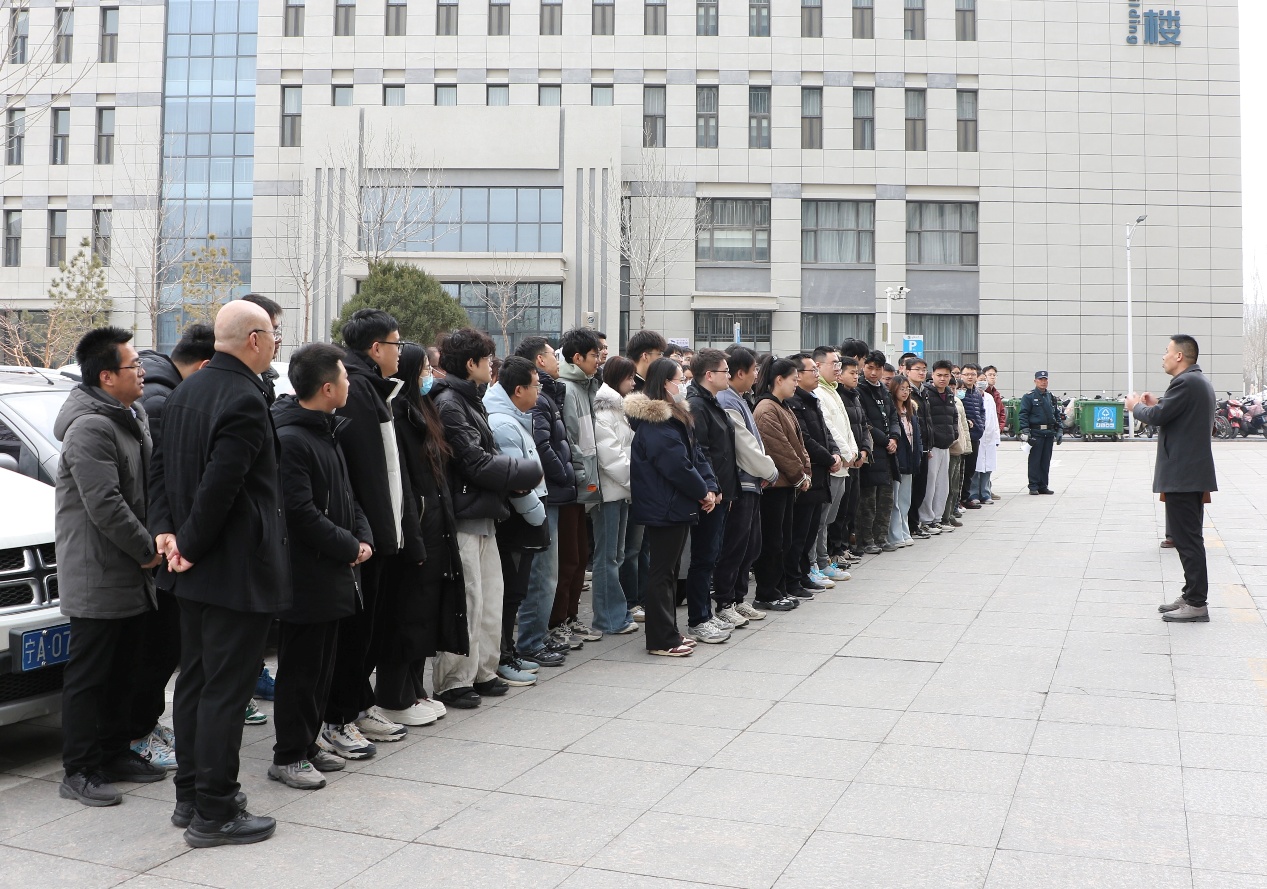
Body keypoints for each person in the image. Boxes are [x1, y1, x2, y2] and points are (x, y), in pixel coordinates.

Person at [148, 300, 289, 846]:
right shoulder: (243, 397)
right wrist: (186, 541)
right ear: (254, 339)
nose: (276, 343)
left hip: (193, 566)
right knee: (224, 692)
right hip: (231, 568)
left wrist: (168, 531)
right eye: (273, 334)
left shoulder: (189, 388)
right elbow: (220, 486)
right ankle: (215, 810)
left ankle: (190, 796)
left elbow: (160, 470)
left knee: (196, 682)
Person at [55, 327, 166, 807]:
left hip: (131, 571)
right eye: (133, 365)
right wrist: (147, 549)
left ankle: (115, 751)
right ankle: (79, 769)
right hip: (97, 572)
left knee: (126, 669)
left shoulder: (130, 416)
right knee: (90, 677)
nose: (142, 372)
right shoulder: (90, 428)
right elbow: (105, 504)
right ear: (106, 376)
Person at [270, 344, 374, 790]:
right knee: (300, 670)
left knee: (321, 668)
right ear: (327, 388)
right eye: (345, 378)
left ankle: (307, 743)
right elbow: (299, 512)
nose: (350, 384)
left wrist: (363, 536)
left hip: (334, 569)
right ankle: (289, 755)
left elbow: (348, 496)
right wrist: (348, 545)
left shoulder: (326, 430)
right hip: (308, 574)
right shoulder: (292, 438)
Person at [322, 309, 424, 759]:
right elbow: (364, 474)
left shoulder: (372, 387)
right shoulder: (359, 390)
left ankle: (357, 706)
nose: (401, 352)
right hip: (366, 537)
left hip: (380, 531)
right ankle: (339, 717)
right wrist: (376, 534)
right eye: (397, 343)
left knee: (369, 631)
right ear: (376, 348)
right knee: (357, 633)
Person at [432, 328, 542, 708]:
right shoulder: (450, 403)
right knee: (468, 602)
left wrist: (513, 473)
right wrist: (524, 471)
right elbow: (475, 462)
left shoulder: (470, 399)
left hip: (484, 513)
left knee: (490, 600)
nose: (491, 366)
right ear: (470, 364)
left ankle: (483, 671)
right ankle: (453, 681)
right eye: (486, 360)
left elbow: (486, 455)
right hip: (464, 515)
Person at [127, 323, 216, 769]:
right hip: (160, 548)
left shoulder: (162, 391)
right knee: (159, 646)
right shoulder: (164, 402)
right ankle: (138, 732)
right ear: (204, 365)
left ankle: (146, 724)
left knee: (164, 645)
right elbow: (163, 481)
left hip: (161, 543)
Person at [376, 344, 462, 722]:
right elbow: (405, 487)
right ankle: (395, 697)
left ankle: (415, 689)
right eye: (425, 368)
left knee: (424, 614)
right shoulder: (397, 413)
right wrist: (415, 535)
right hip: (417, 529)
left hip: (434, 525)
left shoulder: (422, 409)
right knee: (407, 616)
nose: (431, 375)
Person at [625, 358, 719, 657]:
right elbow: (676, 465)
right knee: (662, 573)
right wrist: (702, 491)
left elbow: (696, 456)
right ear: (665, 383)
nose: (684, 385)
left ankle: (669, 632)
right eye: (680, 380)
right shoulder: (656, 421)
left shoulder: (677, 414)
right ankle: (661, 639)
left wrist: (710, 487)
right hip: (664, 505)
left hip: (676, 503)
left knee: (670, 570)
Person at [1126, 335, 1218, 622]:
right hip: (1189, 473)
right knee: (1188, 537)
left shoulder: (1186, 382)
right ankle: (1191, 595)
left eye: (1167, 351)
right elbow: (1172, 413)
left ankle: (1197, 603)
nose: (1163, 356)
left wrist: (1135, 407)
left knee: (1187, 540)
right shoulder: (1195, 381)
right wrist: (1158, 403)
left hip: (1184, 475)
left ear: (1179, 356)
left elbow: (1158, 417)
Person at [483, 356, 549, 687]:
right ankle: (502, 657)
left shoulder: (513, 418)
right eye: (536, 386)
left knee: (515, 591)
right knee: (510, 592)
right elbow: (516, 483)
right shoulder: (504, 424)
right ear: (518, 389)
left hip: (523, 517)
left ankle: (508, 652)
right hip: (516, 521)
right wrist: (538, 515)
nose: (539, 392)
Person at [514, 337, 575, 664]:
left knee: (546, 573)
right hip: (545, 493)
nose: (557, 360)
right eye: (553, 356)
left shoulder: (547, 393)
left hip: (550, 492)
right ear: (539, 360)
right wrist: (563, 474)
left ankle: (537, 637)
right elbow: (542, 446)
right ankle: (530, 642)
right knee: (542, 574)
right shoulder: (538, 399)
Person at [715, 346, 779, 624]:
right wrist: (770, 470)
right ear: (739, 373)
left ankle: (739, 599)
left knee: (750, 546)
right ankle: (725, 601)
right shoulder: (727, 400)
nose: (756, 375)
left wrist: (765, 470)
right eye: (754, 370)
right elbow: (745, 447)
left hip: (752, 482)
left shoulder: (740, 398)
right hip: (740, 484)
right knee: (735, 547)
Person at [552, 328, 604, 646]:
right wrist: (583, 476)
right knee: (569, 559)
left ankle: (570, 617)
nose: (599, 360)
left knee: (581, 556)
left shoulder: (586, 385)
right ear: (577, 357)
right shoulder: (568, 388)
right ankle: (558, 622)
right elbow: (570, 440)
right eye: (595, 355)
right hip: (573, 484)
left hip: (584, 484)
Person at [683, 349, 739, 642]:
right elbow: (701, 452)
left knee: (711, 555)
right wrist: (712, 489)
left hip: (721, 492)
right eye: (724, 371)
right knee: (703, 557)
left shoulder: (712, 402)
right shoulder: (697, 405)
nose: (728, 375)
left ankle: (706, 613)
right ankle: (698, 619)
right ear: (709, 375)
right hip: (709, 495)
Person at [752, 357, 811, 610]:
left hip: (787, 484)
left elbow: (799, 445)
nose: (796, 384)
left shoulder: (782, 406)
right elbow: (779, 449)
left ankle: (779, 589)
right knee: (772, 542)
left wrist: (805, 471)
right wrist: (800, 474)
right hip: (774, 486)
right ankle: (766, 593)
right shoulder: (767, 408)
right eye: (793, 379)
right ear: (779, 380)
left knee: (784, 540)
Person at [787, 353, 842, 596]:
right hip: (807, 475)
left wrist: (835, 452)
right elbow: (805, 440)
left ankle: (803, 574)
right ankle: (795, 578)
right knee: (799, 533)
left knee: (810, 530)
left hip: (820, 475)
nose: (817, 375)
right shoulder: (794, 402)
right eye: (813, 371)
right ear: (797, 375)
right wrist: (829, 458)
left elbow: (826, 432)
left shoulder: (812, 399)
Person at [620, 330, 667, 617]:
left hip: (650, 478)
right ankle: (631, 600)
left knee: (645, 545)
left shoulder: (649, 386)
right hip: (634, 476)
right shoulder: (632, 389)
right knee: (632, 547)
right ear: (646, 356)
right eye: (660, 355)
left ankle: (643, 596)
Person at [591, 356, 638, 635]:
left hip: (620, 492)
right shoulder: (604, 411)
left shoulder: (618, 408)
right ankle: (608, 618)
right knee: (607, 558)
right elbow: (611, 458)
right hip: (609, 494)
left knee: (615, 556)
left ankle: (614, 615)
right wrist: (637, 483)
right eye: (629, 378)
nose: (633, 384)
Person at [811, 347, 858, 582]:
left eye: (839, 364)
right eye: (834, 364)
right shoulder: (818, 392)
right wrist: (846, 453)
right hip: (834, 463)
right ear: (818, 366)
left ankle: (823, 560)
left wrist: (854, 450)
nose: (838, 369)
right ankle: (816, 564)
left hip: (844, 464)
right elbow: (829, 429)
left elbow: (846, 427)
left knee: (828, 519)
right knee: (820, 520)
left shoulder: (833, 390)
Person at [855, 351, 898, 554]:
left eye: (877, 369)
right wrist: (885, 440)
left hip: (888, 452)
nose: (873, 372)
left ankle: (881, 537)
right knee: (868, 500)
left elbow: (893, 417)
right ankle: (866, 539)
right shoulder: (859, 390)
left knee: (886, 498)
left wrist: (895, 438)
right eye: (870, 368)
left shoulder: (884, 390)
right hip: (872, 451)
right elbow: (865, 423)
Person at [833, 355, 872, 559]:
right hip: (844, 461)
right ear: (839, 375)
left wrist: (864, 450)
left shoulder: (855, 396)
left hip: (857, 459)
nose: (856, 376)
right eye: (852, 373)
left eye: (857, 373)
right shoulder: (836, 397)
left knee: (851, 506)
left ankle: (845, 545)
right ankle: (836, 549)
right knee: (840, 508)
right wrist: (849, 453)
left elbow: (864, 426)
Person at [919, 360, 957, 534]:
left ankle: (938, 518)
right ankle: (926, 519)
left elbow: (954, 417)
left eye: (946, 375)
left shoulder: (949, 393)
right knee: (930, 484)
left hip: (946, 445)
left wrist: (954, 434)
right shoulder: (926, 393)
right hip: (932, 446)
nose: (942, 379)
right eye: (939, 375)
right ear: (932, 375)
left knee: (943, 484)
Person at [888, 374, 922, 547]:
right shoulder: (891, 411)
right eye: (901, 388)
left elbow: (916, 437)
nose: (905, 392)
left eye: (907, 389)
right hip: (897, 461)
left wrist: (918, 456)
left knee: (905, 500)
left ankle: (904, 530)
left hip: (910, 461)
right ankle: (895, 535)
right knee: (895, 500)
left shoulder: (910, 411)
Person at [902, 356, 934, 538]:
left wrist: (928, 445)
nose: (922, 372)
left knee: (921, 487)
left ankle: (915, 524)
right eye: (917, 369)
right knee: (911, 489)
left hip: (924, 447)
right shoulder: (906, 392)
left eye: (924, 369)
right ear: (907, 371)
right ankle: (910, 525)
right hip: (912, 448)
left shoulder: (924, 392)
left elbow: (927, 421)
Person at [1018, 370, 1060, 495]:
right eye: (1040, 379)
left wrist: (1060, 430)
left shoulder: (1051, 396)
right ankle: (1033, 486)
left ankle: (1043, 485)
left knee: (1046, 461)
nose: (1043, 382)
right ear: (1035, 381)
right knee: (1035, 461)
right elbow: (1023, 414)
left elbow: (1056, 414)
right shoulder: (1029, 397)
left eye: (1045, 379)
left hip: (1049, 433)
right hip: (1036, 433)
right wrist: (1026, 431)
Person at [974, 365, 1006, 503]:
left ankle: (985, 493)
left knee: (988, 466)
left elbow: (994, 418)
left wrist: (996, 436)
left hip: (990, 437)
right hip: (978, 437)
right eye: (980, 380)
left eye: (983, 380)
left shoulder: (989, 397)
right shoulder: (972, 396)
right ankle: (974, 494)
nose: (982, 382)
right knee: (977, 467)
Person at [958, 364, 986, 509]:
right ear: (961, 376)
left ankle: (965, 497)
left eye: (973, 374)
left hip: (975, 435)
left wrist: (981, 425)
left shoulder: (977, 393)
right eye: (967, 374)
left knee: (970, 468)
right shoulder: (959, 392)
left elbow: (982, 411)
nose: (970, 377)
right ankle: (959, 499)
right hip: (963, 435)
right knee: (960, 469)